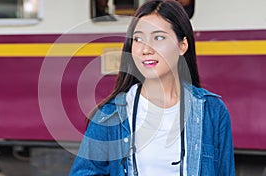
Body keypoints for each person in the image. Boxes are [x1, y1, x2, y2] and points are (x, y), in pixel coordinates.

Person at [70, 0, 235, 175]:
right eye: (138, 39)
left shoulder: (212, 111)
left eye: (158, 37)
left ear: (182, 45)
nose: (145, 49)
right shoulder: (111, 114)